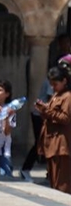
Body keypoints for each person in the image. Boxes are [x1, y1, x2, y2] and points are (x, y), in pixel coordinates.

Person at [36, 65, 71, 194]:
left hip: (61, 145)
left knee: (62, 183)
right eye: (51, 84)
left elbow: (65, 118)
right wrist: (43, 109)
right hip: (51, 143)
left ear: (64, 81)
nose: (53, 87)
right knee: (53, 181)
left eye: (55, 84)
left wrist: (48, 111)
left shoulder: (67, 97)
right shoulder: (56, 95)